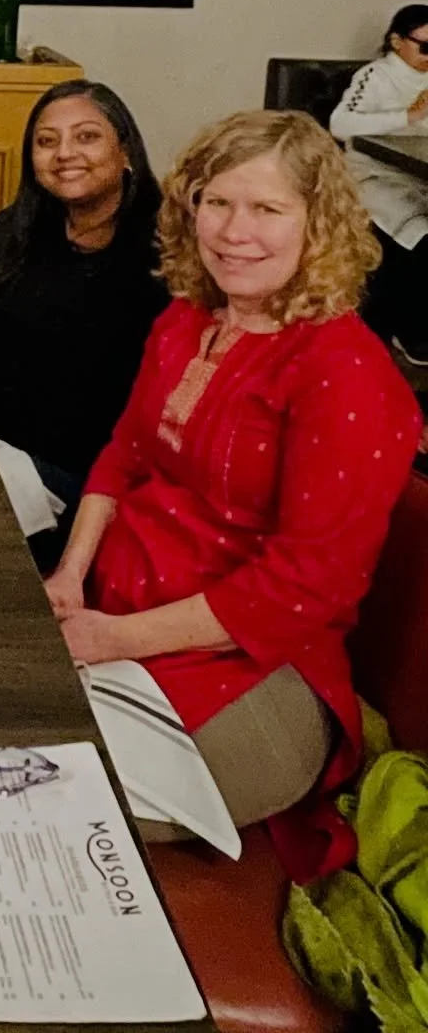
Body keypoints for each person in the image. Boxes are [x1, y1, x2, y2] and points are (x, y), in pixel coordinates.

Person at [45, 110, 420, 879]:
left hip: (256, 675)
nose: (234, 231)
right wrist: (68, 576)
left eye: (268, 209)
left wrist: (106, 641)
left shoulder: (343, 371)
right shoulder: (188, 321)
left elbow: (302, 590)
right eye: (217, 203)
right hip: (118, 611)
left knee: (39, 803)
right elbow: (123, 455)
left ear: (319, 224)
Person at [0, 81, 167, 543]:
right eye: (47, 141)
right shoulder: (25, 227)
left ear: (126, 150)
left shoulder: (168, 249)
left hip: (86, 483)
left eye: (86, 137)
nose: (64, 153)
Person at [330, 5, 428, 364]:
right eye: (425, 47)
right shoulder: (376, 76)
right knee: (418, 233)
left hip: (418, 173)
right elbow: (340, 124)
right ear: (397, 41)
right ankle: (411, 331)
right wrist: (409, 116)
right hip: (376, 175)